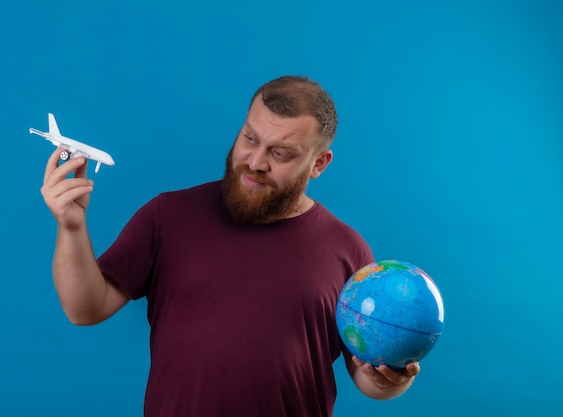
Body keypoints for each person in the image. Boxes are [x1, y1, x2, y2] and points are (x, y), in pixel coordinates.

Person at [41, 75, 420, 416]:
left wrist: (392, 381)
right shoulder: (167, 215)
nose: (255, 161)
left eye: (280, 153)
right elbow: (84, 309)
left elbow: (367, 376)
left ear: (318, 163)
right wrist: (71, 227)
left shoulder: (348, 251)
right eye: (250, 139)